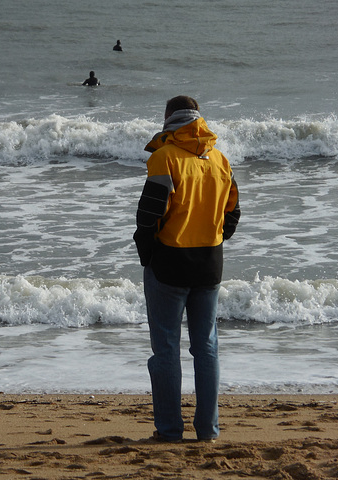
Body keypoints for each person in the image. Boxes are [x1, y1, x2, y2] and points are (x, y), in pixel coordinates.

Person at [133, 95, 240, 443]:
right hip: (210, 264)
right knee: (206, 348)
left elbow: (149, 214)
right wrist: (215, 238)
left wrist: (146, 251)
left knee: (166, 349)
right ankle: (208, 430)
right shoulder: (220, 159)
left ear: (168, 119)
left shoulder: (164, 157)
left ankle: (169, 430)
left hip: (170, 263)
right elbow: (233, 212)